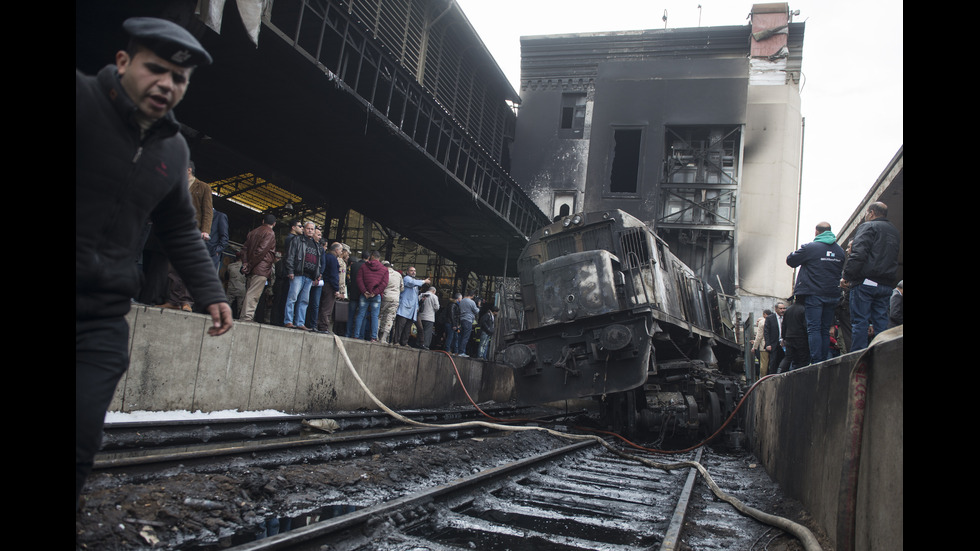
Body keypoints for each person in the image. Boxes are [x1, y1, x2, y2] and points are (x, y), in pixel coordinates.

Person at [76, 17, 231, 507]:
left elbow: (180, 229)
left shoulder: (172, 148)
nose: (166, 84)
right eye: (155, 69)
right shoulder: (81, 102)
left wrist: (210, 292)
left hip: (101, 317)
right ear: (123, 62)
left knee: (81, 437)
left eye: (179, 79)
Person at [841, 202, 901, 351]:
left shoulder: (868, 227)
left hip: (865, 283)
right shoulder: (894, 231)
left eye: (866, 213)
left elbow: (858, 253)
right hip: (885, 285)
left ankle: (858, 356)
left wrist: (847, 276)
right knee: (882, 323)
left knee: (860, 322)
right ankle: (884, 354)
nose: (866, 216)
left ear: (872, 213)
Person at [786, 222, 846, 363]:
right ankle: (824, 359)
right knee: (824, 329)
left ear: (816, 232)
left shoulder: (811, 248)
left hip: (814, 294)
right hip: (832, 294)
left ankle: (816, 360)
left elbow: (791, 261)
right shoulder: (840, 251)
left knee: (813, 328)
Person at [159, 160, 213, 311]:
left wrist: (205, 231)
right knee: (173, 268)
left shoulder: (203, 187)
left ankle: (186, 301)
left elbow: (208, 211)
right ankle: (174, 300)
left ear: (189, 170)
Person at [283, 221, 321, 330]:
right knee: (292, 297)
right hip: (298, 274)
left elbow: (318, 262)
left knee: (304, 301)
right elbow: (290, 256)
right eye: (308, 228)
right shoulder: (297, 240)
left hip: (309, 276)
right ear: (304, 229)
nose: (310, 230)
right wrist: (290, 271)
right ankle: (288, 321)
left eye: (312, 229)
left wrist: (317, 274)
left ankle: (300, 322)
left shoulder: (316, 245)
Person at [239, 214, 278, 322]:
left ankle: (244, 315)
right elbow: (261, 251)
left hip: (251, 268)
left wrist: (246, 263)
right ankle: (247, 317)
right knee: (254, 294)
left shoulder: (253, 232)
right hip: (261, 268)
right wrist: (250, 264)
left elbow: (244, 249)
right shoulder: (270, 233)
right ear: (274, 224)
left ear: (262, 221)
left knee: (249, 292)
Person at [353, 251, 389, 341]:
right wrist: (375, 292)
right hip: (376, 296)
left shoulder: (364, 266)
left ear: (371, 257)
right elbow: (384, 284)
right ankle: (373, 337)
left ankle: (356, 335)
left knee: (361, 315)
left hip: (364, 295)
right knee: (375, 316)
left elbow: (359, 279)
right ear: (379, 258)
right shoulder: (384, 269)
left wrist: (364, 291)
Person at [393, 266, 430, 346]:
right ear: (407, 272)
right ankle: (396, 341)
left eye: (414, 271)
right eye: (411, 271)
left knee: (408, 327)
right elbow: (412, 283)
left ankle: (404, 342)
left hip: (412, 309)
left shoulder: (415, 283)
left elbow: (415, 296)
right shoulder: (406, 279)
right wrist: (424, 281)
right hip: (404, 307)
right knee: (400, 326)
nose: (413, 272)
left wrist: (416, 307)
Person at [316, 242, 344, 334]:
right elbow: (334, 275)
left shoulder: (327, 257)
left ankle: (318, 323)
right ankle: (323, 326)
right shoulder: (333, 259)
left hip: (324, 284)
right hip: (330, 286)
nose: (341, 252)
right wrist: (336, 289)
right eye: (340, 250)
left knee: (321, 305)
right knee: (327, 307)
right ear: (336, 250)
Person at [778, 297, 810, 373]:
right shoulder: (804, 309)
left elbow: (784, 325)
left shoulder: (788, 310)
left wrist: (783, 337)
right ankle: (801, 375)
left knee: (788, 357)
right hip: (801, 337)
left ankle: (780, 371)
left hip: (789, 337)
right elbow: (805, 325)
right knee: (802, 358)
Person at [378, 261, 403, 343]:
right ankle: (384, 338)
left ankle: (376, 336)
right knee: (390, 318)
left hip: (385, 297)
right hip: (395, 299)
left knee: (379, 316)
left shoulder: (383, 272)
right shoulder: (398, 275)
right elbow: (402, 288)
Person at [763, 301, 787, 372]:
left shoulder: (786, 317)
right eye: (780, 308)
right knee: (773, 362)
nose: (782, 310)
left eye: (783, 308)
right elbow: (766, 332)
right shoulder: (770, 318)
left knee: (783, 362)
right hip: (773, 344)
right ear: (776, 309)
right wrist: (768, 344)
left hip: (784, 343)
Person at [458, 292, 479, 357]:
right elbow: (476, 311)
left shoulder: (462, 301)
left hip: (462, 319)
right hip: (468, 320)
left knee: (461, 336)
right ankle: (462, 352)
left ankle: (459, 351)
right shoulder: (471, 302)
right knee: (466, 336)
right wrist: (478, 305)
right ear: (472, 296)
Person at [751, 309, 771, 378]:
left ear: (764, 314)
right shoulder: (774, 320)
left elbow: (759, 336)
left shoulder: (762, 322)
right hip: (773, 345)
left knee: (763, 363)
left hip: (764, 345)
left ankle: (763, 378)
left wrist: (754, 347)